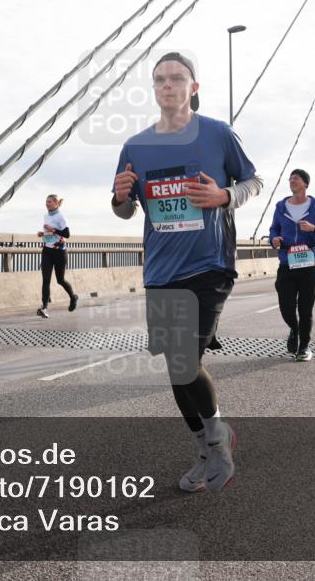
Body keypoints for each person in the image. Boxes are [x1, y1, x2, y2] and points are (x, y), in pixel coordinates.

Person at [111, 51, 262, 493]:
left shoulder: (218, 134)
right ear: (153, 89)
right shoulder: (135, 146)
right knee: (177, 368)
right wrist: (120, 197)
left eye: (177, 79)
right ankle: (205, 447)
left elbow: (252, 181)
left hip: (208, 265)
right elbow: (124, 211)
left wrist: (223, 197)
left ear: (194, 87)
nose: (168, 86)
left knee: (183, 360)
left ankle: (218, 438)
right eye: (160, 80)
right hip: (160, 270)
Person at [269, 169, 315, 361]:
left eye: (296, 178)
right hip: (287, 263)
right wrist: (274, 240)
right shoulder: (281, 207)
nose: (291, 180)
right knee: (286, 307)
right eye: (290, 178)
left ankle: (304, 347)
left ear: (305, 183)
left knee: (305, 309)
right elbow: (273, 230)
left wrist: (313, 229)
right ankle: (294, 329)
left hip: (308, 265)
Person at [36, 194, 78, 318]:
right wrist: (43, 234)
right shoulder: (46, 216)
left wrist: (52, 229)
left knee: (60, 280)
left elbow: (66, 234)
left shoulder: (61, 217)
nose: (46, 204)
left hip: (59, 252)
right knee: (46, 280)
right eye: (46, 202)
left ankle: (73, 297)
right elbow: (50, 232)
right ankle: (44, 308)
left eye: (49, 202)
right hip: (47, 251)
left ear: (55, 203)